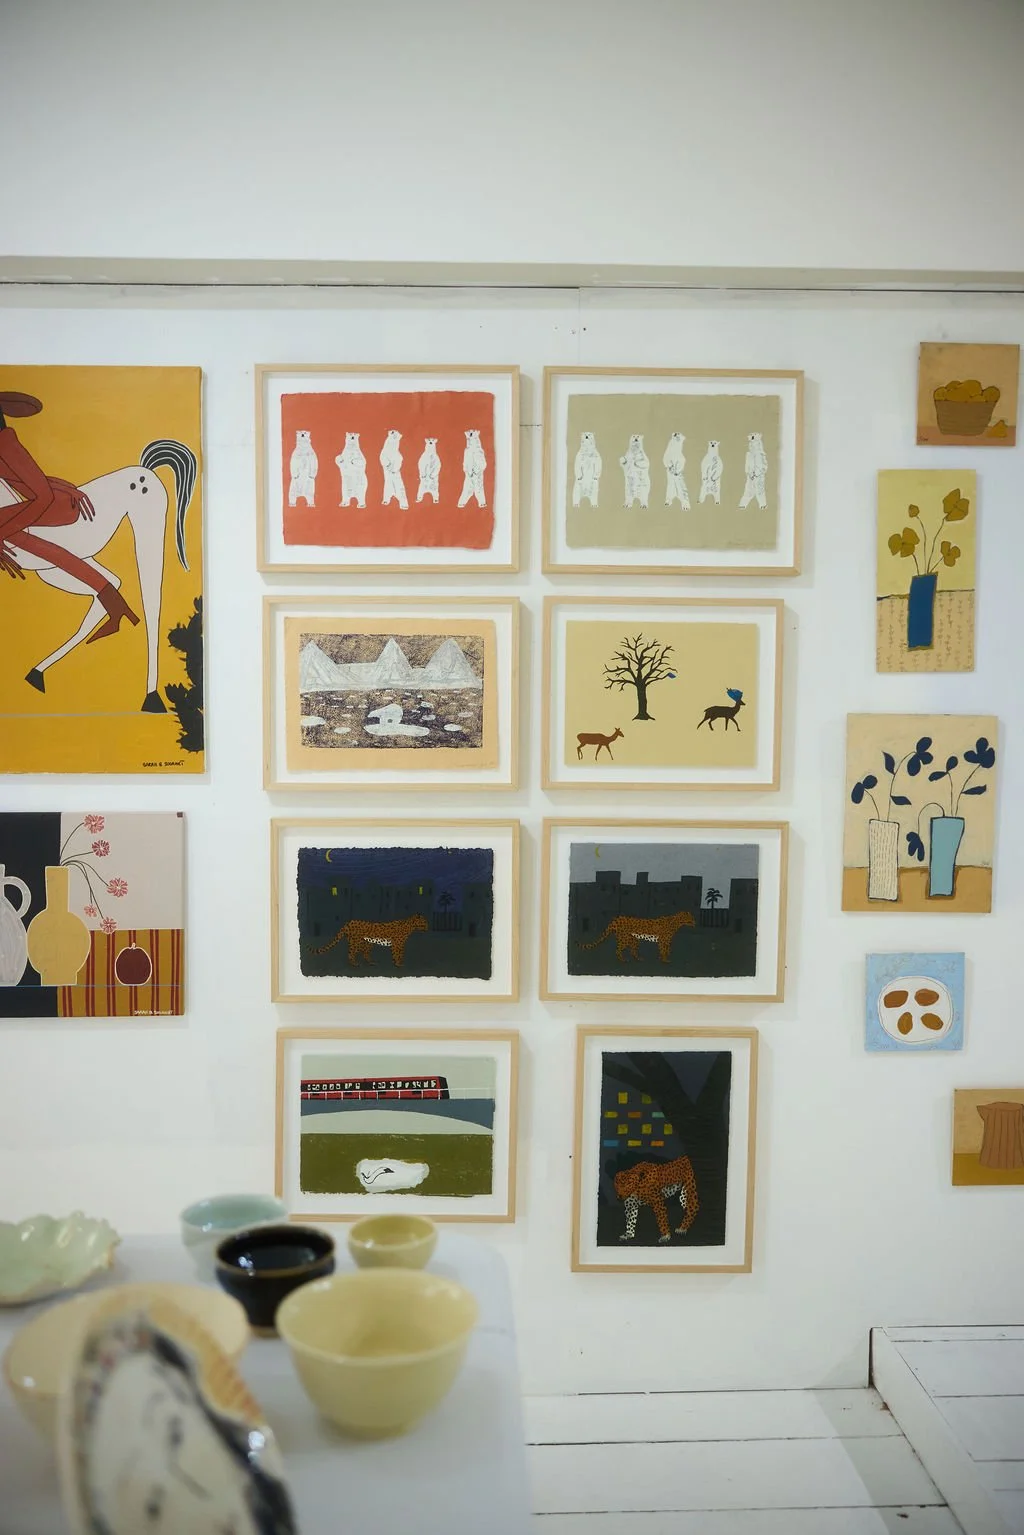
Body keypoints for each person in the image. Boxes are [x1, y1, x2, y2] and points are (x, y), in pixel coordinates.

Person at [0, 389, 139, 639]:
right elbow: (30, 481)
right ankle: (114, 603)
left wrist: (3, 530)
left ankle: (114, 603)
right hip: (42, 503)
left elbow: (43, 495)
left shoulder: (6, 444)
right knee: (26, 541)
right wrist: (67, 487)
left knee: (19, 538)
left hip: (55, 508)